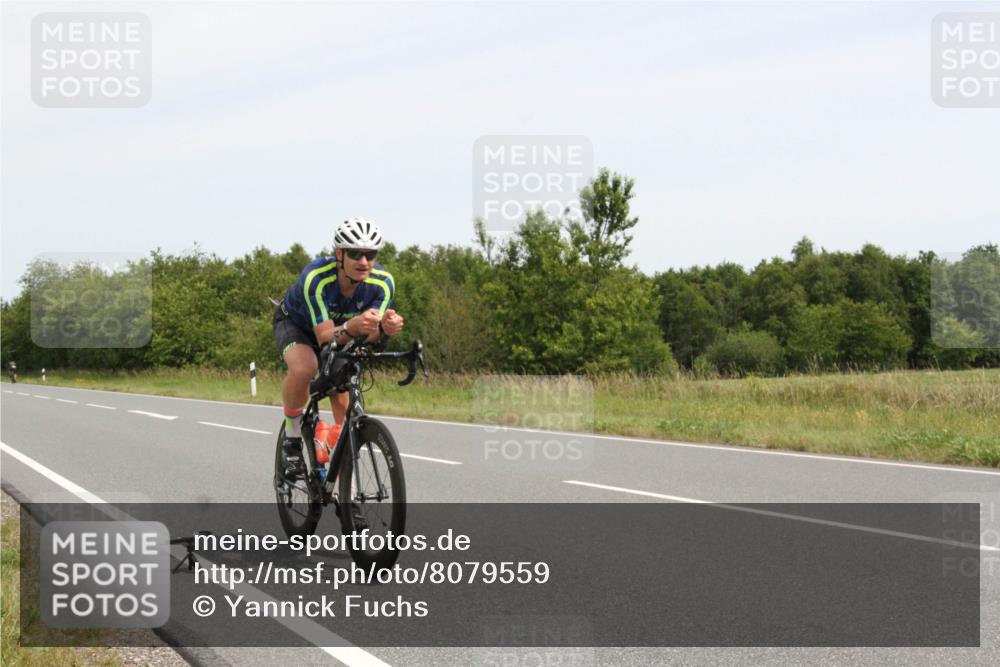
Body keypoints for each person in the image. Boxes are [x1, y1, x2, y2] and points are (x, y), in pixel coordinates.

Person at [273, 218, 404, 479]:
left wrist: (384, 330)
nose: (364, 262)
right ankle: (292, 439)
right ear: (339, 254)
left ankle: (348, 494)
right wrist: (354, 326)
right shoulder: (317, 277)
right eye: (355, 254)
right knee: (305, 368)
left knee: (344, 390)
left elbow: (368, 336)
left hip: (342, 332)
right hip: (298, 324)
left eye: (370, 255)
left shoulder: (382, 283)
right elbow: (323, 337)